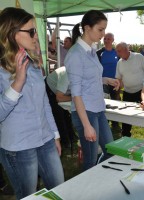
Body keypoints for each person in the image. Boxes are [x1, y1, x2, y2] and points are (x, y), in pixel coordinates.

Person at [0, 7, 64, 199]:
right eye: (31, 31)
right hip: (19, 147)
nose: (36, 36)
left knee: (59, 189)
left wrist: (55, 134)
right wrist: (18, 82)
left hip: (45, 139)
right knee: (29, 196)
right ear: (12, 34)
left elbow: (44, 102)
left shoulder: (33, 61)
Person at [65, 10, 120, 171]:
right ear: (87, 28)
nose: (103, 34)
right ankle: (86, 191)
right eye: (100, 29)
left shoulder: (92, 49)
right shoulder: (76, 54)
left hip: (98, 108)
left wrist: (106, 80)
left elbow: (88, 79)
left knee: (110, 150)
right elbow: (76, 93)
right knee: (90, 160)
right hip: (86, 112)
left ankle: (97, 178)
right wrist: (86, 125)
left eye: (104, 29)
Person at [115, 42, 144, 137]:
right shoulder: (119, 63)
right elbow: (119, 78)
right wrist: (117, 85)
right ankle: (125, 135)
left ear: (126, 49)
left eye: (119, 51)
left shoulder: (138, 57)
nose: (118, 53)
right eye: (117, 51)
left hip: (141, 91)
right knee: (126, 116)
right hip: (127, 92)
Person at [45, 67, 76, 147]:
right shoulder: (66, 75)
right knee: (59, 115)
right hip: (49, 89)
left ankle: (71, 136)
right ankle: (64, 141)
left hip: (61, 91)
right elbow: (59, 98)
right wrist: (74, 98)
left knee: (66, 113)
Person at [96, 33, 121, 129]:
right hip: (103, 81)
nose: (106, 40)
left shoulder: (116, 52)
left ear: (113, 40)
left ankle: (115, 124)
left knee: (116, 101)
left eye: (108, 39)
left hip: (115, 81)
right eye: (105, 38)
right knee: (105, 102)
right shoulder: (99, 53)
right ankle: (105, 122)